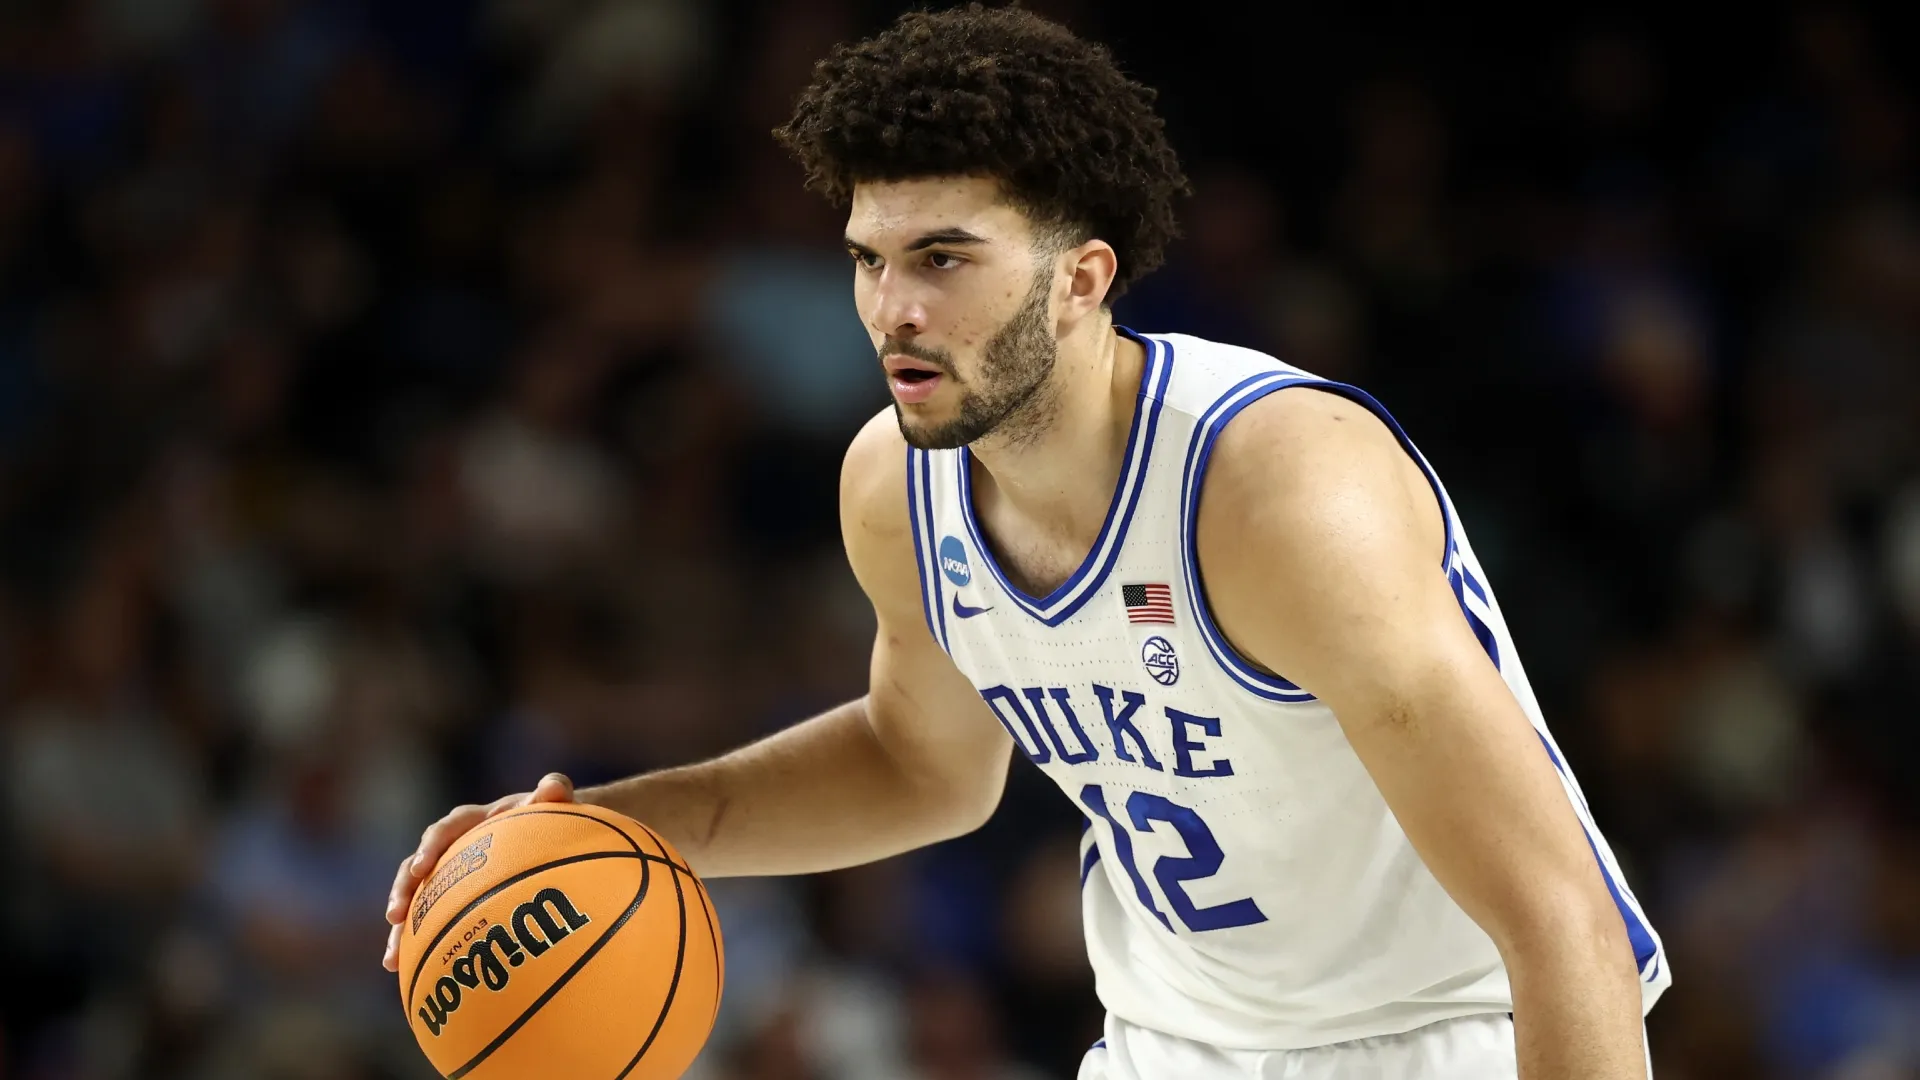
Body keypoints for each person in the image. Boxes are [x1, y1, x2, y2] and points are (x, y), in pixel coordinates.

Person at [383, 7, 1669, 1078]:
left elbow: (1559, 923)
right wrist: (605, 829)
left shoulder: (1272, 489)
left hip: (1438, 1034)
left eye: (944, 256)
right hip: (1173, 1041)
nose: (894, 307)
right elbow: (921, 763)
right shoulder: (895, 485)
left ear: (1083, 279)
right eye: (870, 260)